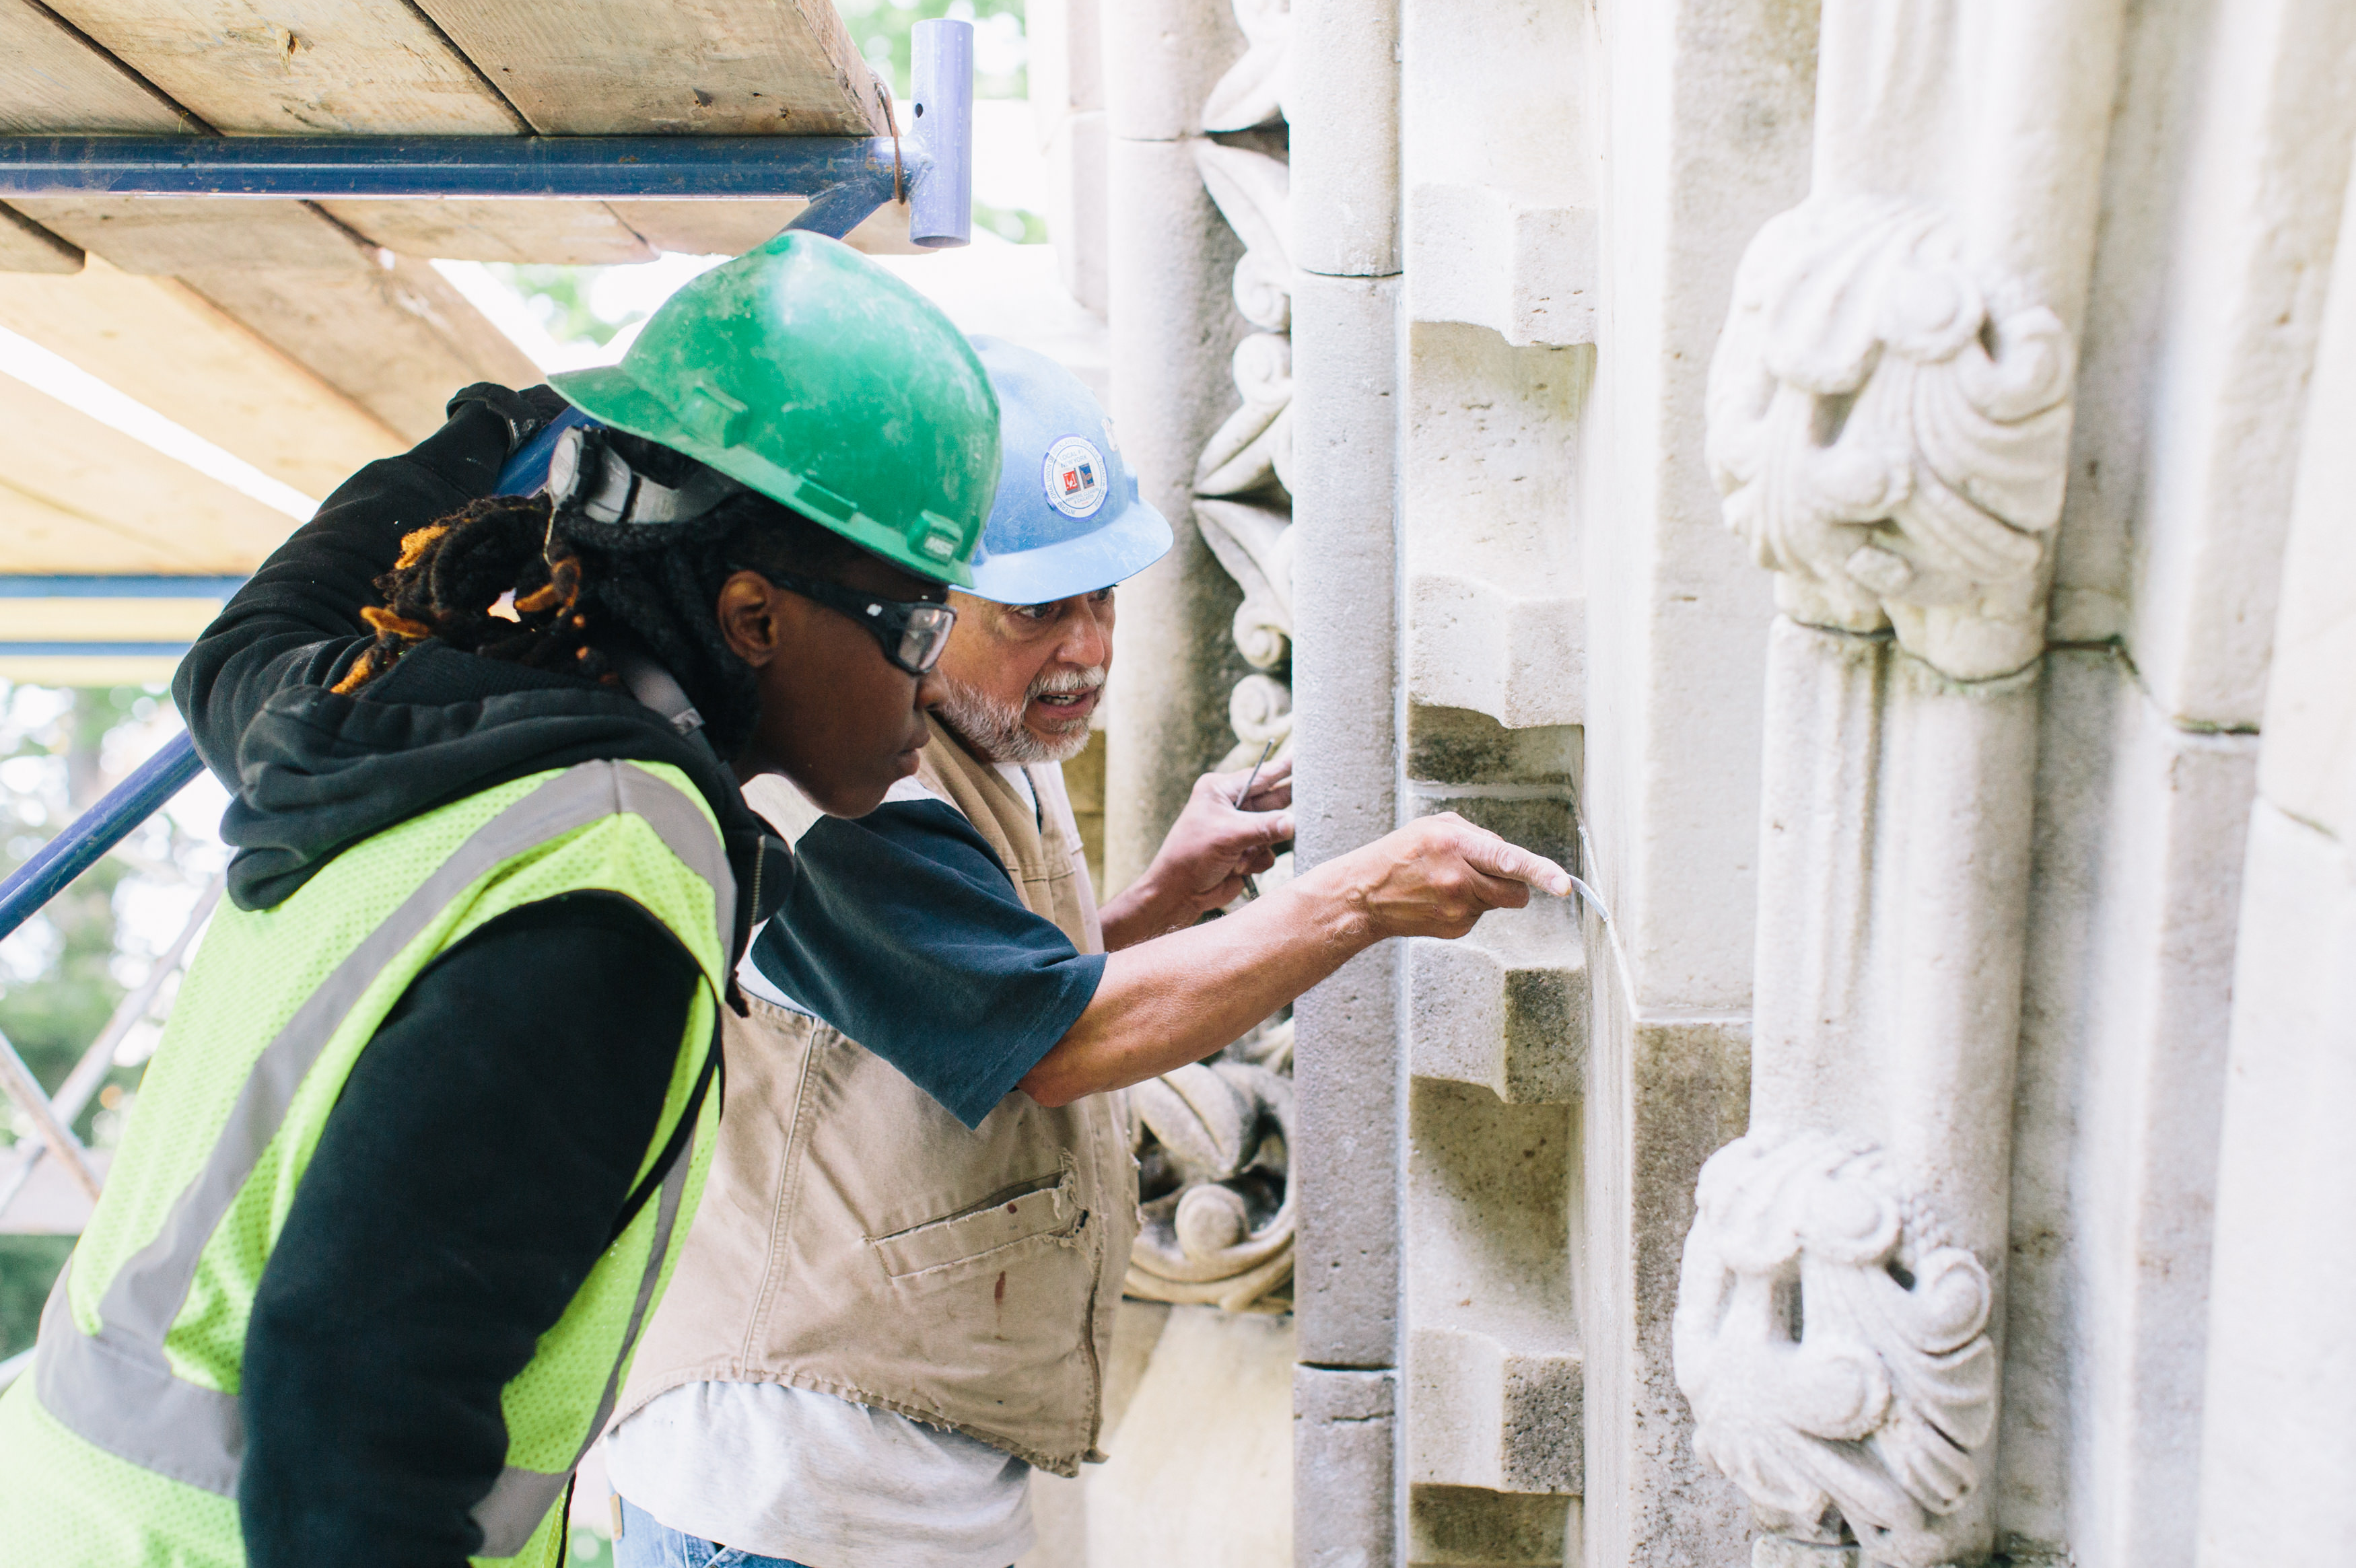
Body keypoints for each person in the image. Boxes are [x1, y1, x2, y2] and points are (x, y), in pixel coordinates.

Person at [0, 232, 1000, 1568]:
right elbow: (355, 1420)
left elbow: (246, 642)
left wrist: (518, 429)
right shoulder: (608, 895)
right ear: (755, 618)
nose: (935, 687)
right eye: (917, 628)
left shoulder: (411, 737)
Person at [600, 338, 1572, 1568]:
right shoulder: (825, 787)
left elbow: (957, 1003)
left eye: (1101, 596)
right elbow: (1052, 1042)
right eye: (1035, 611)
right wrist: (1363, 898)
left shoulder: (986, 722)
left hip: (909, 1481)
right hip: (787, 1490)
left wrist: (1162, 897)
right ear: (911, 595)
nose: (1087, 649)